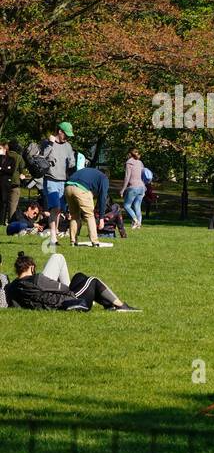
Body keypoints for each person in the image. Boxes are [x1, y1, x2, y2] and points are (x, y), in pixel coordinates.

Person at [4, 251, 138, 311]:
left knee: (79, 276)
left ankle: (109, 305)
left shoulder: (13, 287)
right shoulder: (37, 279)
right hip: (67, 301)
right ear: (31, 267)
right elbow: (64, 289)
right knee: (93, 280)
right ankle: (122, 306)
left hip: (52, 302)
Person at [37, 122, 76, 242]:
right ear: (60, 131)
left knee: (59, 210)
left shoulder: (68, 146)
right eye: (66, 134)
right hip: (50, 179)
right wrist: (50, 143)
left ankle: (54, 233)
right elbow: (42, 157)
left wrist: (72, 161)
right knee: (55, 207)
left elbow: (72, 163)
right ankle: (53, 236)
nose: (67, 137)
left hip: (63, 181)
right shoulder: (47, 143)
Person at [63, 165, 113, 247]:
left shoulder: (91, 172)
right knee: (89, 215)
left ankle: (73, 241)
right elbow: (103, 198)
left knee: (74, 216)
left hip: (68, 187)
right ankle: (95, 242)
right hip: (81, 188)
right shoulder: (104, 178)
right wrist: (101, 218)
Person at [121, 148, 146, 230]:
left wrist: (123, 189)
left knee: (126, 205)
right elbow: (143, 176)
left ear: (129, 154)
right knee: (137, 206)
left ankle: (135, 220)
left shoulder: (129, 162)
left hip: (133, 187)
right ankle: (139, 224)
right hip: (142, 187)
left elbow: (127, 177)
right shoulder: (140, 163)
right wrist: (145, 187)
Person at [0, 142, 15, 227]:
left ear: (5, 149)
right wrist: (4, 169)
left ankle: (2, 221)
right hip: (1, 181)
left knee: (4, 202)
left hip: (5, 184)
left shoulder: (11, 159)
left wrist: (2, 169)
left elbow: (11, 171)